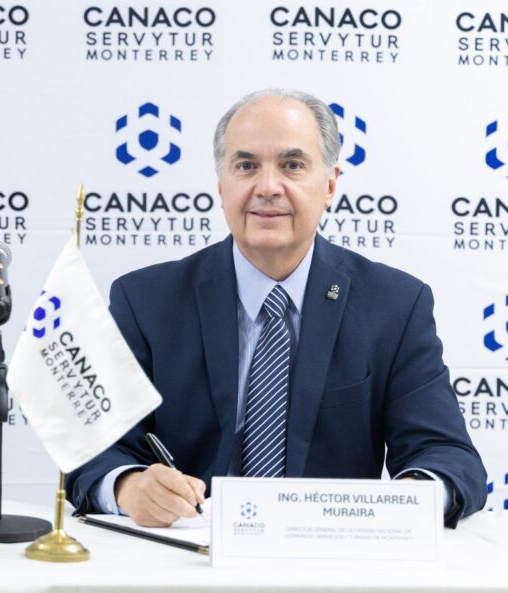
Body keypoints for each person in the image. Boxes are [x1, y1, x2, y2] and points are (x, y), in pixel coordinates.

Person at [67, 89, 487, 528]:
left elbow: (448, 455)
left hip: (331, 551)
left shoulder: (395, 305)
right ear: (221, 185)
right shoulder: (145, 301)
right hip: (186, 551)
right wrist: (129, 486)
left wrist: (410, 498)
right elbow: (94, 450)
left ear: (329, 185)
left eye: (292, 165)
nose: (267, 187)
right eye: (246, 166)